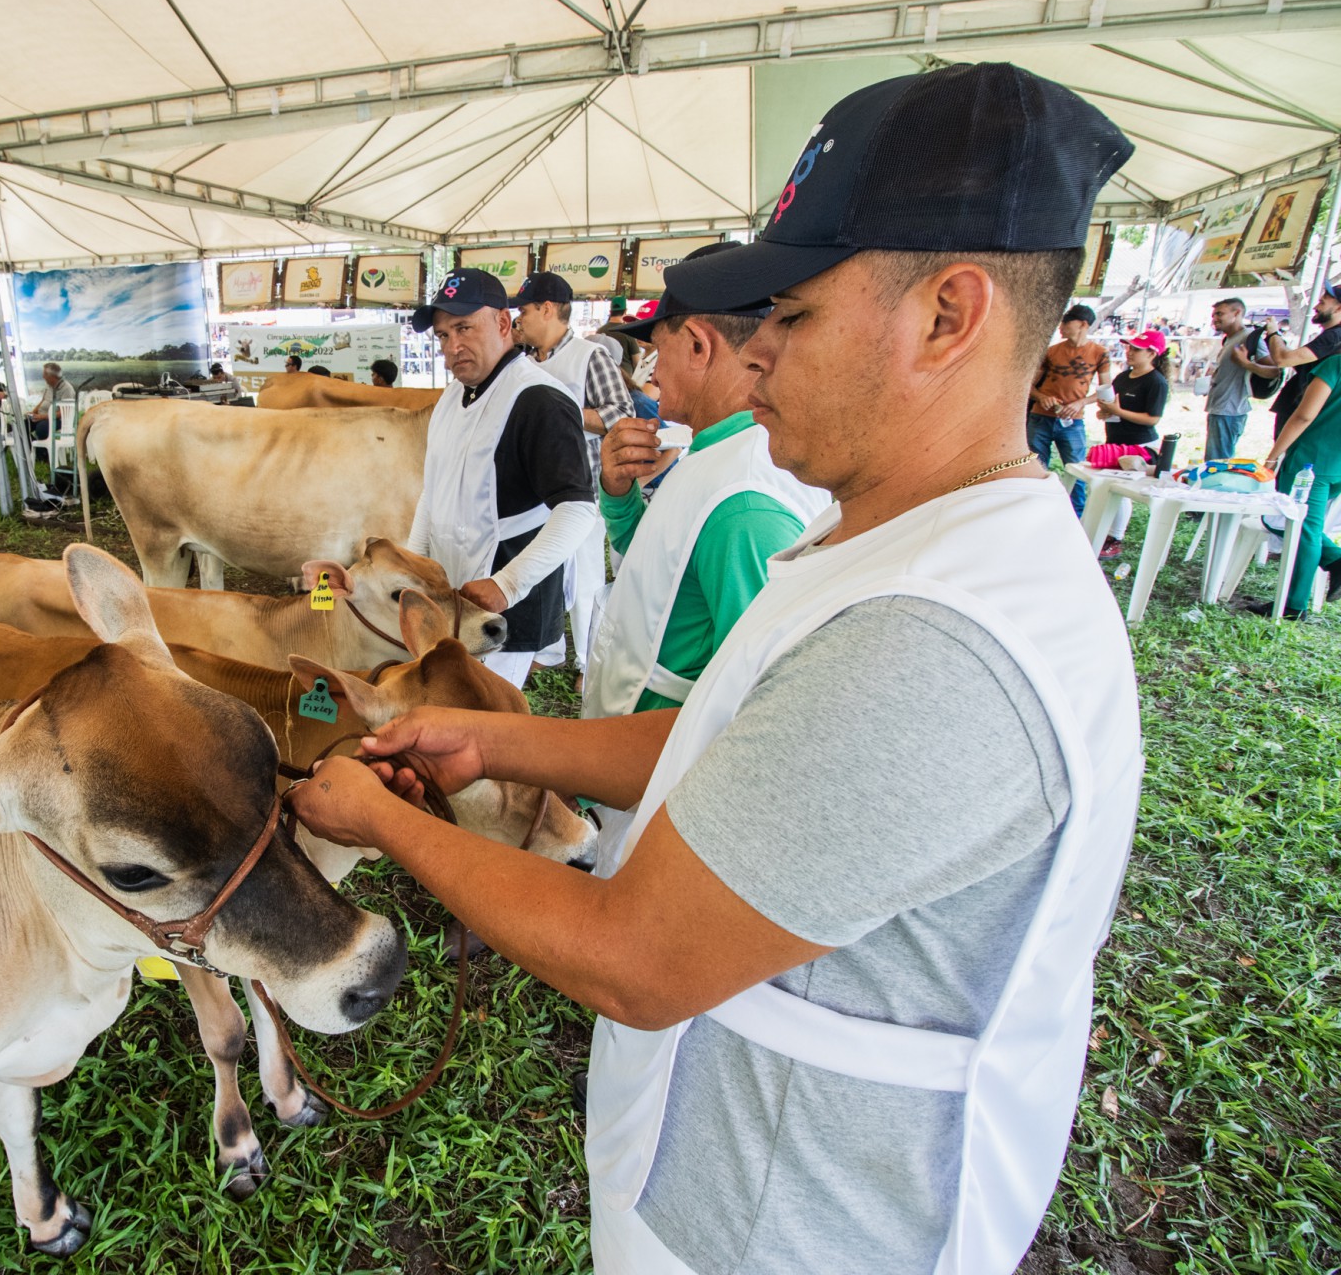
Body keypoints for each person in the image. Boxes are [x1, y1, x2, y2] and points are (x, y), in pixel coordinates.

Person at [288, 63, 1141, 1275]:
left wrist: (384, 819)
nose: (759, 362)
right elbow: (738, 744)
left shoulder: (941, 638)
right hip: (741, 1172)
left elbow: (634, 955)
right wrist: (498, 742)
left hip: (794, 1224)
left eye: (792, 318)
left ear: (949, 317)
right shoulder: (890, 541)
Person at [583, 240, 830, 853]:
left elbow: (755, 699)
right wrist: (617, 495)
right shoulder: (714, 449)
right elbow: (662, 568)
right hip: (631, 766)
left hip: (666, 788)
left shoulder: (744, 503)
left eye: (654, 352)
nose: (650, 375)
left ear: (698, 345)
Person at [405, 268, 599, 687]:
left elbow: (579, 509)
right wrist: (414, 566)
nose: (453, 347)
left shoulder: (538, 399)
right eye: (442, 336)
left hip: (507, 608)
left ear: (502, 323)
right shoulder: (452, 397)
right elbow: (432, 493)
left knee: (487, 723)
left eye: (464, 328)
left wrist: (507, 584)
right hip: (454, 595)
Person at [513, 271, 637, 674]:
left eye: (525, 310)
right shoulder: (525, 362)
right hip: (534, 491)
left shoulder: (589, 355)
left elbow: (622, 414)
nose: (520, 319)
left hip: (582, 490)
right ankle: (543, 651)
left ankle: (587, 666)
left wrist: (563, 413)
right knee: (540, 569)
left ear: (548, 309)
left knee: (583, 580)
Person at [1250, 355, 1341, 620]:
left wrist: (1273, 456)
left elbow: (1304, 414)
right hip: (1336, 464)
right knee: (1303, 525)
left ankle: (1293, 604)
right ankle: (1335, 559)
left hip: (1312, 459)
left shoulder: (1335, 364)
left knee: (1302, 527)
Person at [1093, 330, 1172, 558]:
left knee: (1121, 492)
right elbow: (1112, 405)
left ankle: (1115, 538)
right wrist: (1106, 413)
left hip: (1139, 444)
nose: (1130, 352)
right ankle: (1104, 534)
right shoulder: (1123, 377)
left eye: (1136, 349)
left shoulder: (1156, 381)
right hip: (1115, 440)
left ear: (1152, 353)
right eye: (1129, 347)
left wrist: (1118, 411)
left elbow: (1153, 418)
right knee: (1109, 489)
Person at [1027, 303, 1109, 514]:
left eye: (1066, 322)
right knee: (1035, 470)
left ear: (1082, 324)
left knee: (1077, 472)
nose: (1061, 326)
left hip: (1073, 422)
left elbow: (1106, 391)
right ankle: (1035, 514)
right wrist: (1042, 397)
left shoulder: (1099, 354)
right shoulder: (1051, 352)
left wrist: (1081, 402)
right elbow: (1028, 386)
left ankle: (1076, 519)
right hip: (1040, 418)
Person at [1239, 278, 1341, 437]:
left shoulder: (1334, 337)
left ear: (1338, 308)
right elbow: (1296, 363)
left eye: (1322, 303)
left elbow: (1284, 359)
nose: (1315, 307)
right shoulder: (1331, 336)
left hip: (1303, 410)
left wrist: (1273, 332)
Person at [1203, 297, 1253, 460]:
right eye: (1213, 315)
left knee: (1218, 463)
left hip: (1230, 410)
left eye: (1219, 314)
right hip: (1219, 407)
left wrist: (1246, 363)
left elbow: (1274, 369)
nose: (1215, 319)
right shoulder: (1230, 339)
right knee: (1213, 460)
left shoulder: (1248, 337)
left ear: (1237, 313)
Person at [27, 361, 75, 441]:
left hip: (57, 420)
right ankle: (34, 450)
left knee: (41, 428)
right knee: (22, 425)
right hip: (42, 417)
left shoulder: (67, 389)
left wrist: (42, 417)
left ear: (52, 376)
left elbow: (64, 412)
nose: (43, 376)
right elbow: (43, 400)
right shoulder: (48, 385)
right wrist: (33, 412)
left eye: (45, 374)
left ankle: (43, 452)